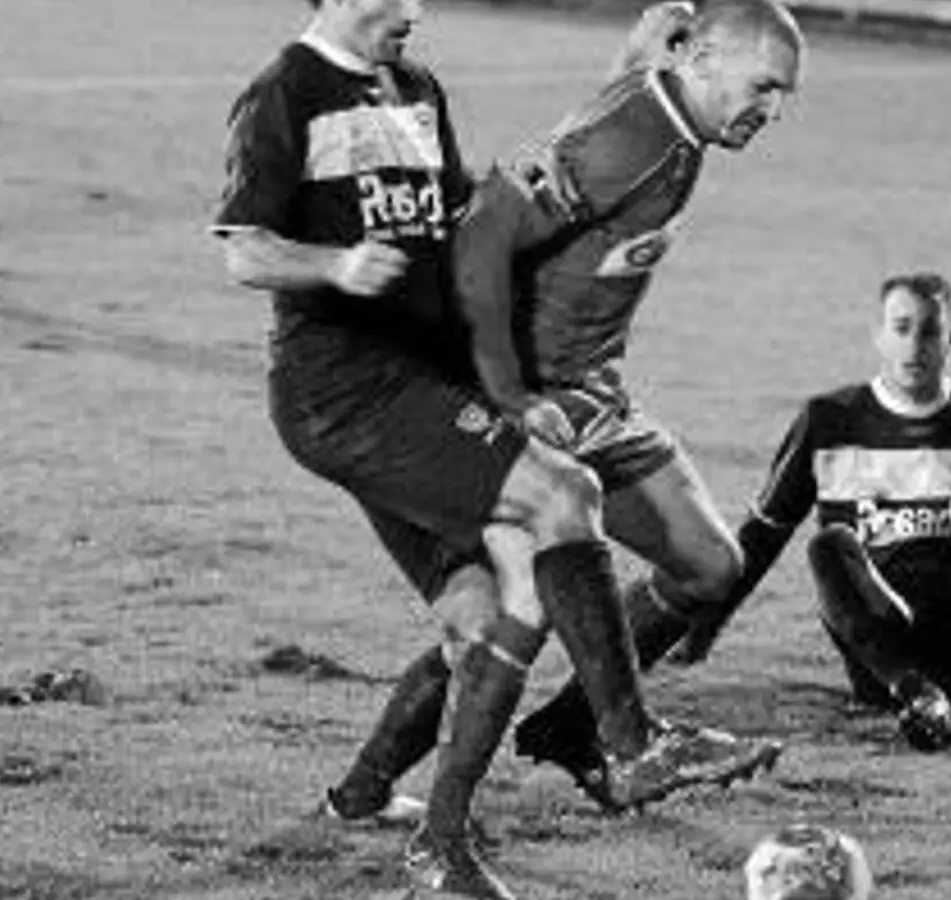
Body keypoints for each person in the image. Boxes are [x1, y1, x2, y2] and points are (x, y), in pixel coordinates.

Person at [211, 1, 782, 895]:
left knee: (490, 615)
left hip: (429, 384)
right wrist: (335, 266)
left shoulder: (415, 88)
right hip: (350, 392)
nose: (417, 10)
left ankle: (389, 815)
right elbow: (244, 251)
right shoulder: (284, 92)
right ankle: (631, 743)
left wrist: (627, 76)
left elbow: (491, 205)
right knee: (561, 497)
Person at [456, 0, 807, 809]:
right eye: (763, 86)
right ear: (703, 61)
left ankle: (570, 729)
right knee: (502, 616)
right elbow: (481, 237)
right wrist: (509, 394)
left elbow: (607, 119)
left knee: (709, 565)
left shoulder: (672, 118)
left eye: (784, 94)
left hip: (596, 393)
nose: (772, 110)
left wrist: (635, 54)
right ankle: (378, 800)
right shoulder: (635, 141)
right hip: (542, 399)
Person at [668, 273, 951, 751]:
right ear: (878, 335)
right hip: (888, 649)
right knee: (830, 545)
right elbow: (764, 534)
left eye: (930, 331)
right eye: (902, 328)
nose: (915, 345)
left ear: (950, 340)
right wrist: (701, 633)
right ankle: (919, 697)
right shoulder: (829, 419)